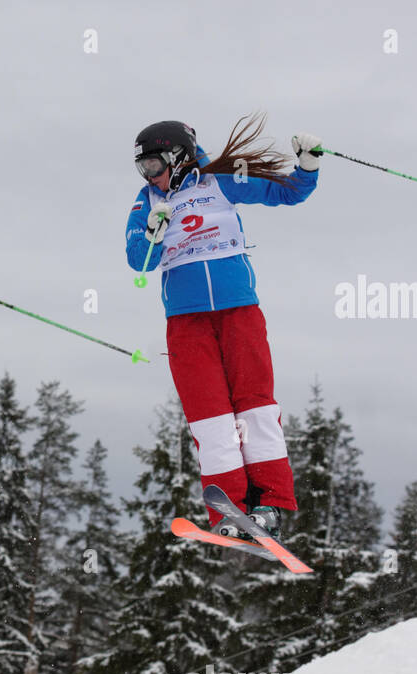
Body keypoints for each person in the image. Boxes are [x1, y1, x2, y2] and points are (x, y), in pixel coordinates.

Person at [126, 116, 322, 538]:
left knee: (255, 405)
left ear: (177, 159)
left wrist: (307, 168)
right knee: (209, 415)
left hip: (239, 311)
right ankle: (230, 509)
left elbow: (287, 194)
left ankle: (270, 502)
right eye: (143, 170)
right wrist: (152, 234)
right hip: (186, 321)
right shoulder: (145, 203)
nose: (150, 177)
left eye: (155, 166)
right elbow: (137, 261)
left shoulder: (221, 181)